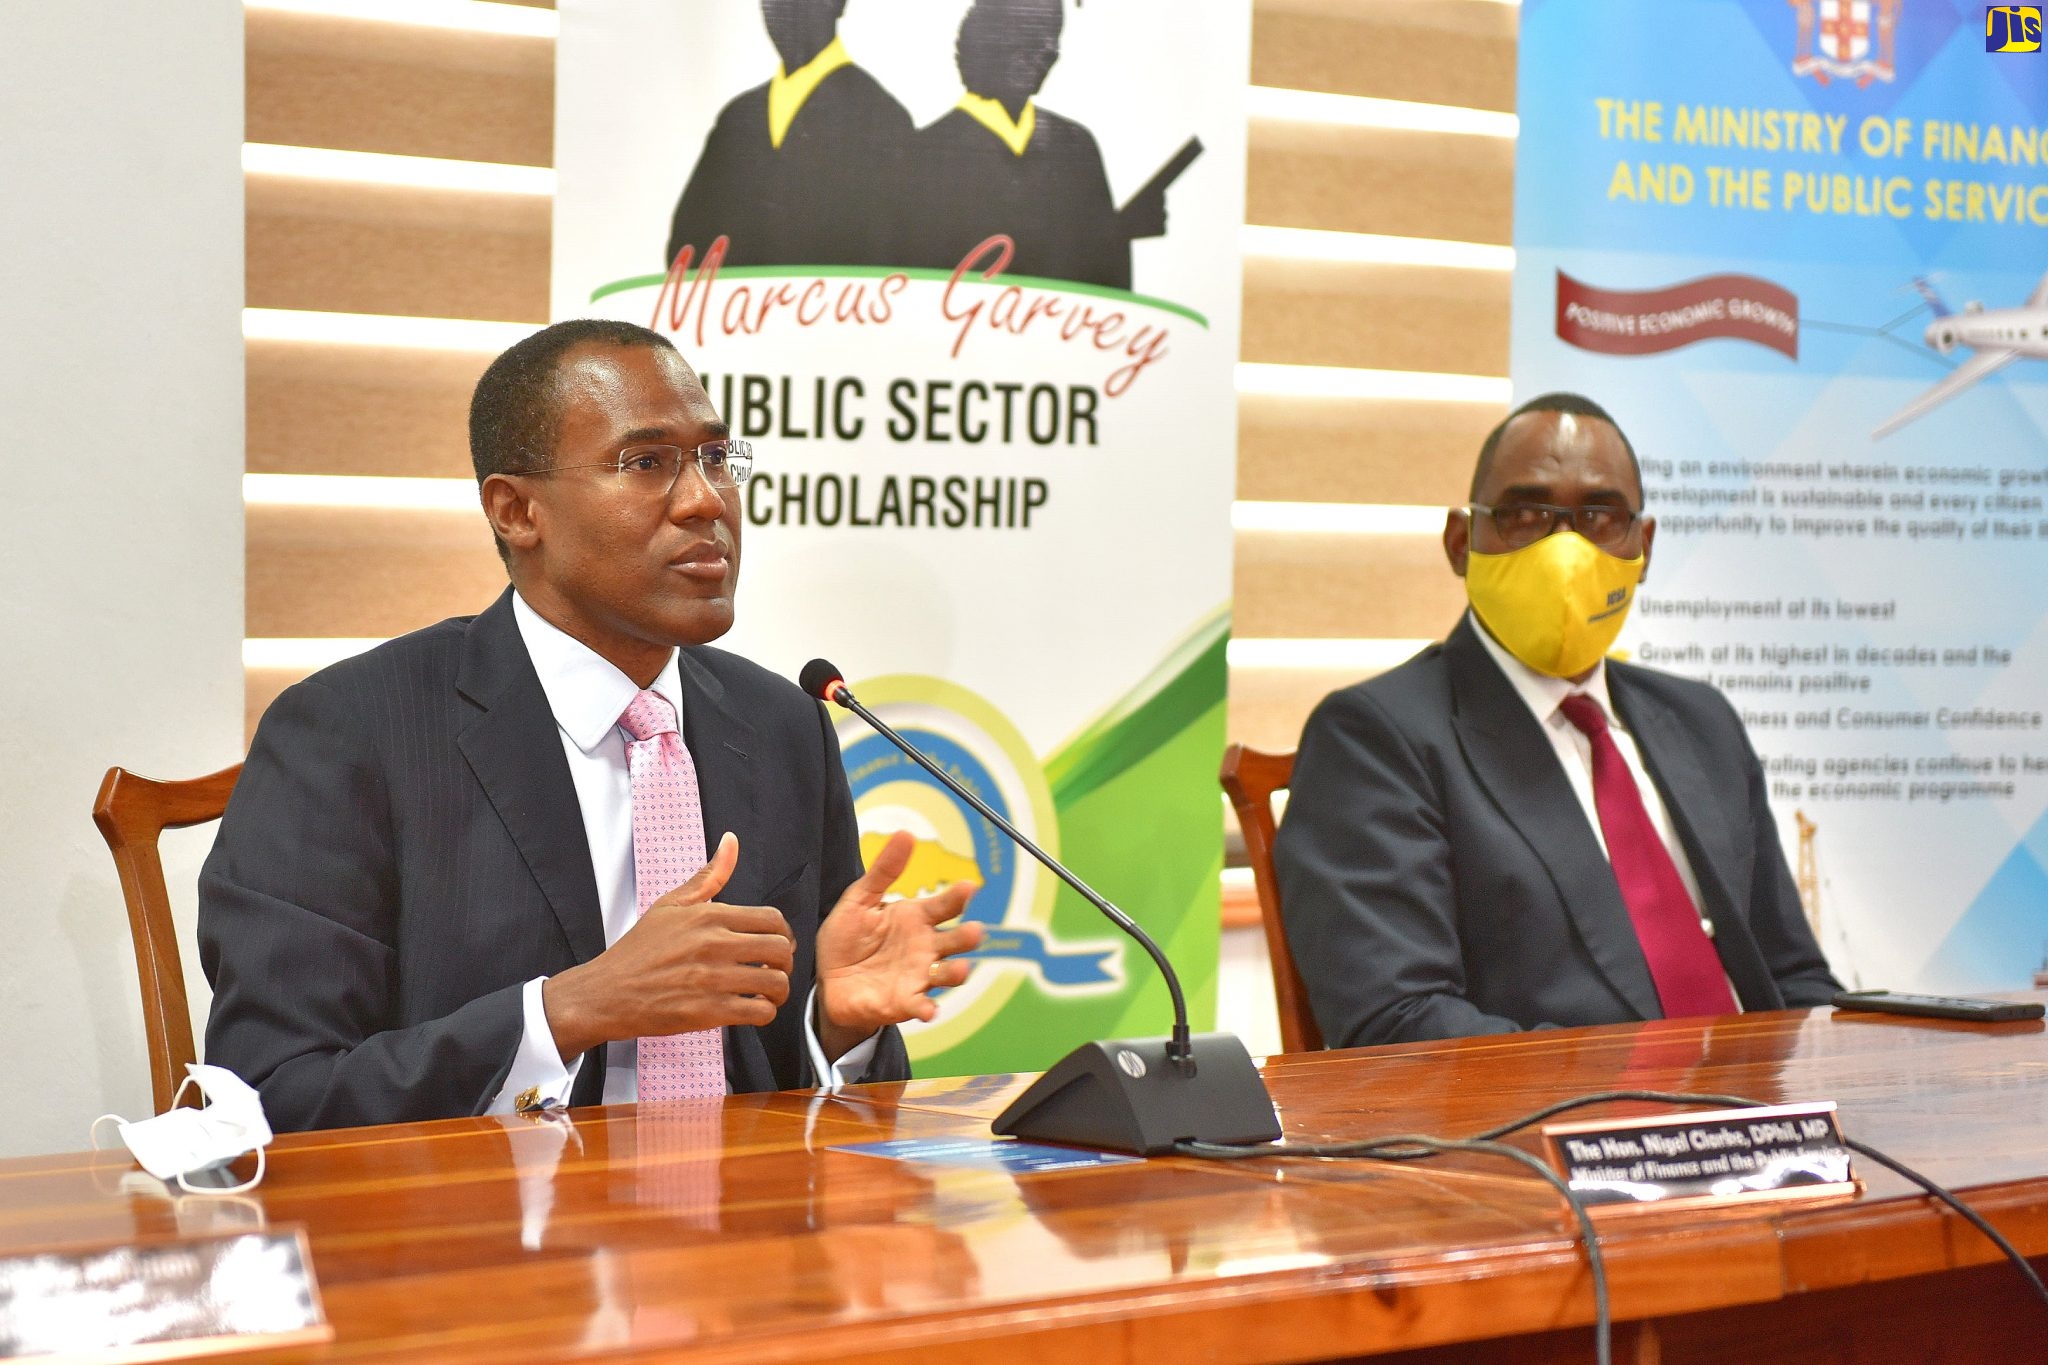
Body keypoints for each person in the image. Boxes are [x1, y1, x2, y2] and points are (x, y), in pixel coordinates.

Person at [200, 318, 984, 1132]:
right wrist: (569, 1009)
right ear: (516, 510)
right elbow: (272, 1094)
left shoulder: (783, 724)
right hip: (491, 1237)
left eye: (716, 458)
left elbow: (798, 1096)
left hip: (745, 1231)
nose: (705, 501)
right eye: (646, 463)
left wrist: (842, 1028)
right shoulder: (350, 733)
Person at [1274, 392, 1839, 1048]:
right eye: (1525, 513)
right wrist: (1641, 1099)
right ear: (1461, 542)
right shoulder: (1377, 737)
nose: (1564, 548)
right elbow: (1400, 1024)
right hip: (1561, 1136)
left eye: (1599, 515)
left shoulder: (1700, 720)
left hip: (1769, 1125)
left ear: (1644, 546)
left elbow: (1795, 976)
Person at [907, 0, 1164, 289]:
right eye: (1026, 32)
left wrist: (1117, 233)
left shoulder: (1076, 147)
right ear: (984, 39)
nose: (1047, 50)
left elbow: (1107, 285)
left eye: (1053, 36)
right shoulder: (920, 156)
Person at [663, 0, 913, 271]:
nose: (785, 10)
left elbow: (892, 257)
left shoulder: (882, 118)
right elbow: (686, 247)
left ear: (837, 4)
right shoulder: (737, 120)